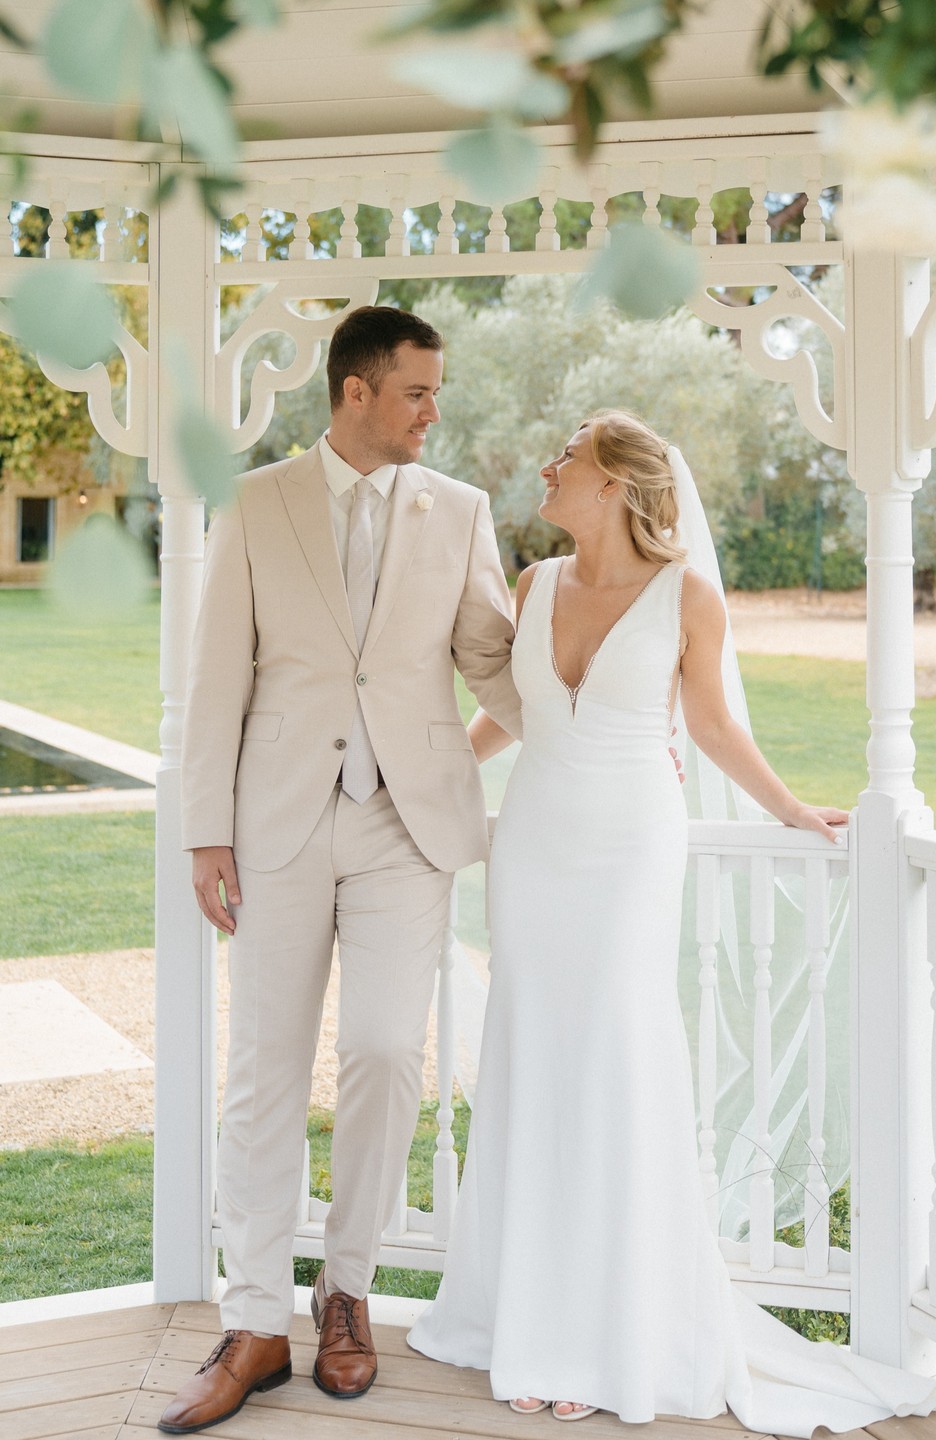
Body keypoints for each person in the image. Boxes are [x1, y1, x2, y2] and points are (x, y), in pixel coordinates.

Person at [407, 410, 936, 1434]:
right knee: (531, 1055)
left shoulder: (687, 597)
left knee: (615, 1056)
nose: (546, 464)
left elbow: (710, 723)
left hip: (627, 850)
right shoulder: (532, 585)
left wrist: (791, 809)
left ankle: (604, 1329)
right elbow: (512, 718)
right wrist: (425, 787)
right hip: (533, 847)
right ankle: (524, 1311)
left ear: (615, 482)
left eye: (565, 455)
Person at [164, 306, 522, 1434]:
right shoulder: (260, 502)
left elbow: (495, 666)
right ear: (356, 392)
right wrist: (205, 830)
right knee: (262, 1069)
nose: (433, 411)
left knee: (381, 1053)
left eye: (436, 393)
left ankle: (347, 1291)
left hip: (403, 828)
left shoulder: (460, 512)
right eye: (418, 391)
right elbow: (218, 673)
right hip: (274, 824)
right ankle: (257, 1317)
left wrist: (597, 730)